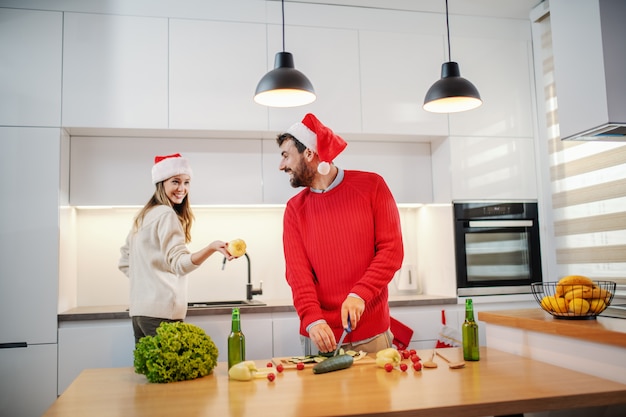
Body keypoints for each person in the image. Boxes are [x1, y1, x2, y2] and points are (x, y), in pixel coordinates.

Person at [276, 113, 404, 355]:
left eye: (285, 155)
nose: (282, 165)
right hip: (319, 335)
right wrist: (312, 318)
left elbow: (391, 251)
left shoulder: (372, 186)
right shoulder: (295, 209)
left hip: (371, 334)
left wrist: (359, 294)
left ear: (309, 154)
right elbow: (297, 273)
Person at [118, 153, 235, 344]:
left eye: (186, 182)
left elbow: (125, 261)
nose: (182, 188)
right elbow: (180, 264)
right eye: (175, 181)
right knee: (174, 373)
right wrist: (211, 248)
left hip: (140, 315)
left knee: (151, 372)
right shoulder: (166, 214)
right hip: (162, 314)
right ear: (161, 183)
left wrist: (148, 283)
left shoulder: (144, 215)